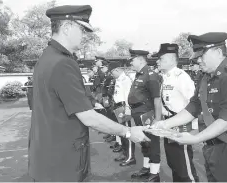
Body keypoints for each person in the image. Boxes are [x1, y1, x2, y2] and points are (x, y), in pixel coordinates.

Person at [28, 5, 149, 182]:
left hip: (47, 158)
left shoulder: (47, 58)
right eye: (81, 30)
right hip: (63, 163)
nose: (84, 36)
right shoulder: (63, 63)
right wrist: (128, 132)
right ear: (67, 28)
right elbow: (88, 118)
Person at [151, 32, 227, 182]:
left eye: (201, 55)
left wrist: (195, 138)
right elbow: (193, 107)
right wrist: (164, 124)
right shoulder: (206, 78)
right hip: (211, 145)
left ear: (218, 52)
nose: (198, 60)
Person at [154, 43, 199, 182]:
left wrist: (195, 128)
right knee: (174, 163)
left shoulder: (181, 76)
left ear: (173, 60)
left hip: (181, 124)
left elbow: (194, 103)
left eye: (161, 59)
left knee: (184, 167)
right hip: (169, 125)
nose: (157, 61)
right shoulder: (165, 77)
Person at [128, 49, 162, 182]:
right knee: (144, 142)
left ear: (141, 60)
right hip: (138, 112)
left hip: (147, 114)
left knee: (152, 143)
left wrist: (157, 120)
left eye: (133, 59)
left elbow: (157, 99)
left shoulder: (151, 74)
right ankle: (146, 168)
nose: (130, 61)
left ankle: (155, 173)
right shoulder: (139, 74)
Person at [111, 66, 136, 166]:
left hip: (123, 107)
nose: (112, 75)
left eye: (113, 73)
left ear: (117, 70)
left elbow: (127, 96)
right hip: (118, 106)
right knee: (121, 132)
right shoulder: (119, 79)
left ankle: (130, 157)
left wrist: (127, 110)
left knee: (127, 132)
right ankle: (125, 153)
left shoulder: (125, 80)